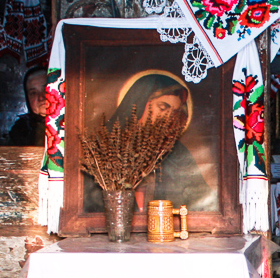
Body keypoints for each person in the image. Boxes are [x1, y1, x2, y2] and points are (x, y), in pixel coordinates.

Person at [85, 71, 214, 212]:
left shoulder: (176, 151)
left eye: (174, 112)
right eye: (163, 107)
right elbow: (89, 200)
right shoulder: (107, 146)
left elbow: (202, 199)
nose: (167, 117)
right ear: (140, 102)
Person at [7, 65, 47, 146]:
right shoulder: (21, 129)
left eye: (45, 90)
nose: (41, 97)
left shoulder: (72, 122)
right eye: (33, 93)